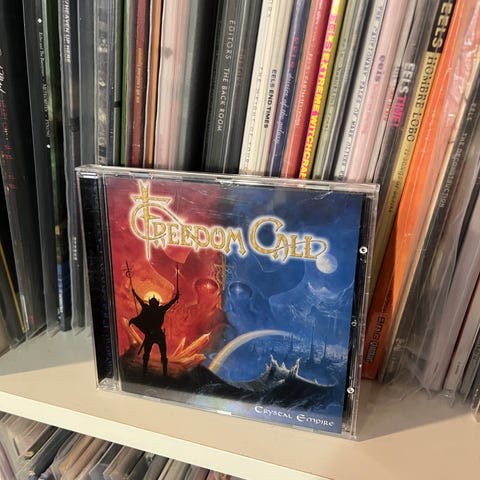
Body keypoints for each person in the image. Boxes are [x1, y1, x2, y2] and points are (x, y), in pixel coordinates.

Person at [129, 287, 179, 376]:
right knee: (153, 354)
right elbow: (170, 304)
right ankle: (157, 372)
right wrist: (176, 298)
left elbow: (140, 301)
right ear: (157, 303)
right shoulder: (160, 309)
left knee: (153, 354)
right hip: (156, 335)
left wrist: (134, 293)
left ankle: (150, 372)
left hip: (153, 335)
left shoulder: (148, 308)